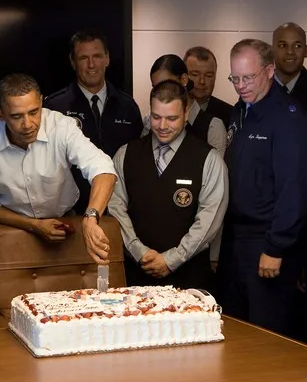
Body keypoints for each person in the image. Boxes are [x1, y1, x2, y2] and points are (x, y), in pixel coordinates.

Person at [218, 39, 307, 337]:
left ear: (270, 70)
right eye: (235, 78)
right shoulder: (241, 111)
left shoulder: (289, 120)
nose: (240, 85)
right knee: (235, 328)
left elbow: (295, 192)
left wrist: (276, 247)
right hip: (236, 241)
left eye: (248, 77)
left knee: (265, 334)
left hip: (268, 242)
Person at [0, 73, 117, 265]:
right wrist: (33, 225)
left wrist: (91, 217)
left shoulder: (62, 127)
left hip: (66, 225)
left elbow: (102, 167)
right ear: (0, 113)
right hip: (12, 231)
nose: (28, 124)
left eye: (34, 112)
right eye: (16, 116)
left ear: (41, 102)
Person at [109, 81, 227, 290]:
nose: (162, 126)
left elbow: (209, 219)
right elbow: (116, 209)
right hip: (135, 277)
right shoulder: (126, 154)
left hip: (189, 279)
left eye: (171, 118)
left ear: (186, 112)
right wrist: (139, 252)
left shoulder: (209, 158)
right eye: (156, 117)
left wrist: (172, 259)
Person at [44, 30, 143, 211]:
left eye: (97, 56)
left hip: (120, 209)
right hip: (71, 211)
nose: (91, 65)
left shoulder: (128, 107)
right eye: (83, 58)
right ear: (73, 62)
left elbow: (137, 162)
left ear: (107, 58)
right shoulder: (54, 108)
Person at [148, 54, 227, 157]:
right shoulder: (149, 122)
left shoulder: (212, 127)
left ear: (184, 79)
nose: (162, 91)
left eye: (167, 84)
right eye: (156, 87)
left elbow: (214, 169)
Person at [184, 45, 233, 125]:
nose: (202, 81)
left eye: (208, 75)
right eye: (195, 75)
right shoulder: (168, 109)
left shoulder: (230, 115)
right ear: (184, 77)